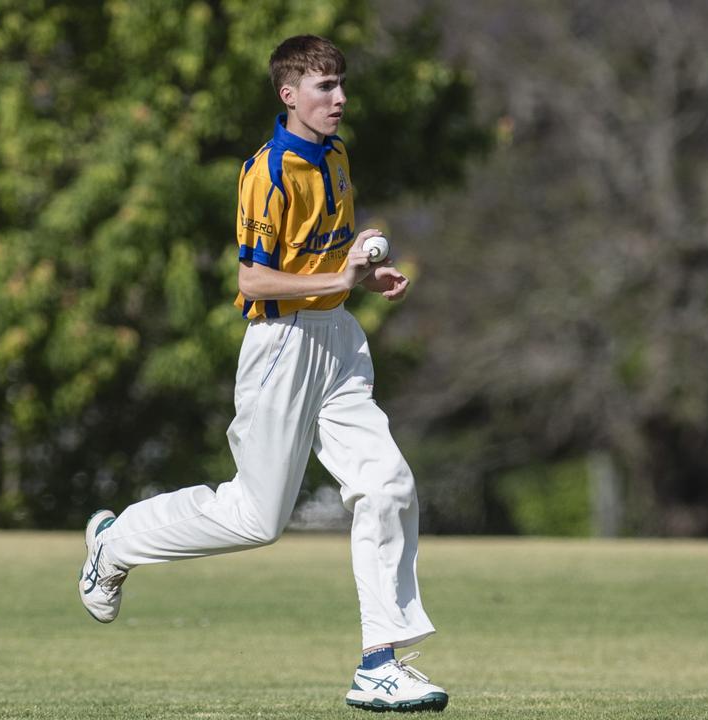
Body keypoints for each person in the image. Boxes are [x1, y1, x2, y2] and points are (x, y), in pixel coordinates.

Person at [78, 34, 449, 713]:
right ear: (289, 95)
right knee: (257, 518)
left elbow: (326, 257)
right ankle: (115, 543)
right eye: (323, 88)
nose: (338, 98)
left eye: (340, 84)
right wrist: (338, 276)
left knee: (388, 485)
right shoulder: (267, 171)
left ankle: (379, 665)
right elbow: (252, 275)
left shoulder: (335, 155)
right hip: (278, 344)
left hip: (336, 337)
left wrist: (361, 274)